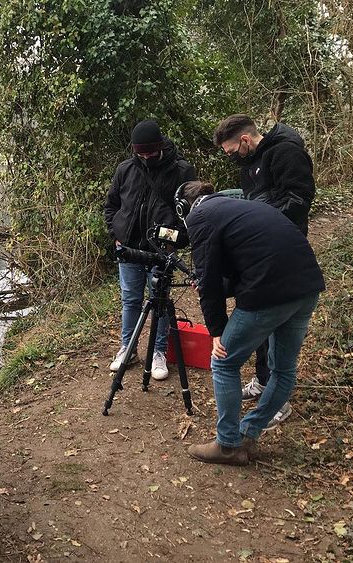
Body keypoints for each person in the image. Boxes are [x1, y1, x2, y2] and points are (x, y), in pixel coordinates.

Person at [175, 181, 324, 465]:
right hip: (307, 287)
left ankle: (228, 445)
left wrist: (216, 330)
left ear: (184, 208)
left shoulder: (200, 216)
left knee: (224, 361)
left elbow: (207, 279)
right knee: (283, 368)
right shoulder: (244, 206)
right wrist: (221, 286)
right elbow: (253, 259)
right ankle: (248, 433)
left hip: (269, 293)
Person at [213, 114, 316, 427]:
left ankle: (277, 400)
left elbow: (300, 199)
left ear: (245, 140)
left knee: (272, 321)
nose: (231, 158)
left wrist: (261, 223)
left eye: (232, 152)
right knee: (256, 311)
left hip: (283, 249)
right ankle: (261, 379)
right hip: (256, 251)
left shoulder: (285, 153)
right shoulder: (249, 165)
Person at [105, 119, 197, 378]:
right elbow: (111, 205)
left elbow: (192, 213)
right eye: (140, 153)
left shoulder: (181, 171)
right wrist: (117, 234)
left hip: (162, 252)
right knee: (130, 300)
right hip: (129, 250)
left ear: (160, 147)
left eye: (149, 152)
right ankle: (128, 347)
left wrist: (176, 240)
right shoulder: (125, 169)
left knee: (160, 302)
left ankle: (158, 353)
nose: (145, 157)